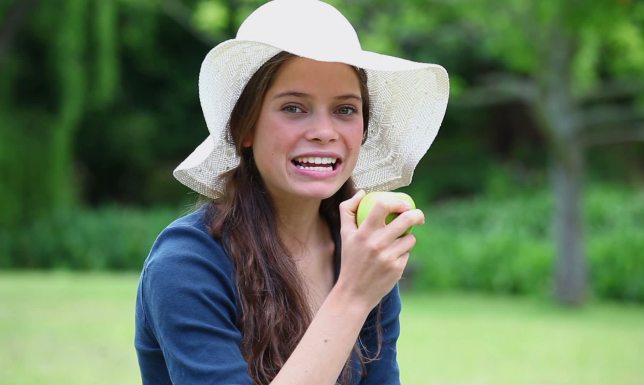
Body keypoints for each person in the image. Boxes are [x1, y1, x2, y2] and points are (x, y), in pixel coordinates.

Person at [134, 1, 449, 384]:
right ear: (245, 128)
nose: (324, 131)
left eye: (345, 110)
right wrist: (352, 295)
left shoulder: (361, 253)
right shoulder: (187, 264)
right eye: (295, 107)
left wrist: (361, 285)